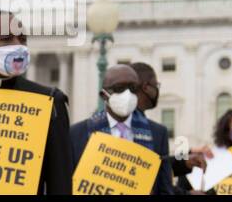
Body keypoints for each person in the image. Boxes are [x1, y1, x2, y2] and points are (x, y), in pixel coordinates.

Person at [0, 10, 72, 194]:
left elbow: (60, 183)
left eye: (22, 39)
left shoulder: (49, 101)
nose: (17, 46)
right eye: (6, 38)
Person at [68, 62, 172, 194]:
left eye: (133, 88)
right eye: (119, 88)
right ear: (104, 95)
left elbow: (165, 189)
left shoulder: (158, 133)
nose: (127, 94)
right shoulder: (77, 134)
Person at [130, 61, 180, 192]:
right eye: (156, 85)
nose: (157, 90)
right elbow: (163, 185)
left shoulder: (86, 128)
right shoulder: (158, 132)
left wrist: (185, 162)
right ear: (146, 87)